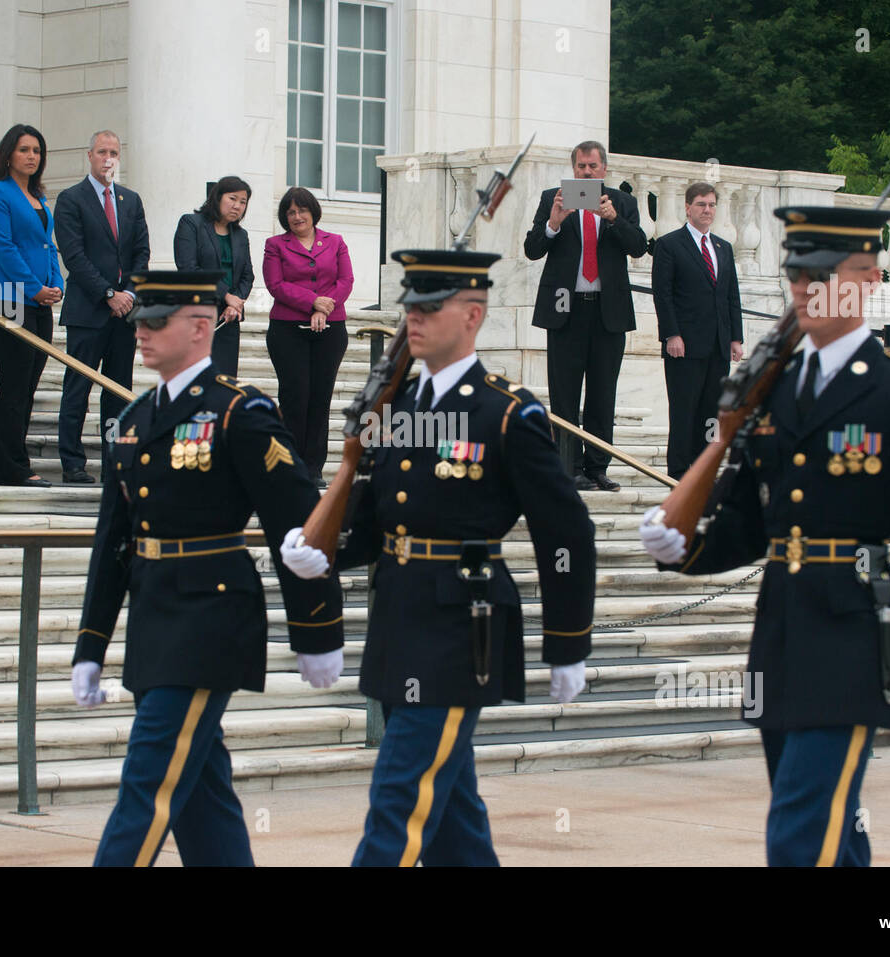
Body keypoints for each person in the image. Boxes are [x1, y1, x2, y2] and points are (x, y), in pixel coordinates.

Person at [638, 206, 890, 866]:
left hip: (854, 636)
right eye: (797, 275)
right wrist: (685, 548)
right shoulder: (774, 392)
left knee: (800, 833)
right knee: (831, 831)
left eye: (823, 276)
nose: (805, 290)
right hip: (780, 634)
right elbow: (751, 522)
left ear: (866, 282)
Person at [280, 249, 596, 866]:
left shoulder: (507, 412)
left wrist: (568, 642)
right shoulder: (397, 409)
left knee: (398, 802)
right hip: (399, 618)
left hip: (463, 628)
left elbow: (566, 532)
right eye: (410, 308)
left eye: (430, 308)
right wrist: (326, 552)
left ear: (473, 315)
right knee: (453, 824)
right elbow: (376, 519)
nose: (413, 320)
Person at [69, 269, 345, 866]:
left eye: (154, 322)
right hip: (153, 622)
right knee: (201, 796)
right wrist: (91, 644)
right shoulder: (134, 419)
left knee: (148, 785)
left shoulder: (239, 411)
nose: (139, 333)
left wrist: (317, 631)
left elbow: (297, 526)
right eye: (138, 320)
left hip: (211, 621)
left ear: (200, 328)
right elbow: (114, 542)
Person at [523, 140, 647, 491]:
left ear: (604, 169)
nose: (587, 172)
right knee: (564, 394)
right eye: (581, 167)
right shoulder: (554, 199)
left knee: (602, 393)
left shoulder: (622, 202)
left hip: (608, 312)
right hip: (565, 309)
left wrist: (614, 219)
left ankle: (597, 467)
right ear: (573, 168)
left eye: (593, 167)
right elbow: (533, 250)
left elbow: (638, 247)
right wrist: (553, 224)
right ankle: (569, 467)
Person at [54, 130, 152, 484]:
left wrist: (126, 294)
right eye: (101, 152)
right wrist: (108, 294)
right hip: (88, 311)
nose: (108, 158)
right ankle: (72, 462)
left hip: (124, 315)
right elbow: (74, 256)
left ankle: (115, 460)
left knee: (117, 393)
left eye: (114, 152)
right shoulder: (71, 199)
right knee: (77, 389)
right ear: (89, 155)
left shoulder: (130, 200)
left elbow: (142, 251)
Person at [0, 124, 63, 488]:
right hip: (9, 299)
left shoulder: (40, 198)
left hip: (40, 301)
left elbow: (48, 246)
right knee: (14, 385)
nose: (32, 156)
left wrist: (57, 283)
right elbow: (5, 248)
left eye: (37, 151)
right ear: (8, 154)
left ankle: (14, 463)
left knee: (28, 386)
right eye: (25, 150)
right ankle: (11, 466)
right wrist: (34, 289)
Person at [651, 182, 745, 479]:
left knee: (712, 414)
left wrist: (736, 338)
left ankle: (704, 469)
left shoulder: (723, 247)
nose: (707, 210)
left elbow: (731, 295)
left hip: (718, 345)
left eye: (712, 204)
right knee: (684, 411)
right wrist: (671, 334)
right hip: (685, 345)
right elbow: (662, 294)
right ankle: (679, 472)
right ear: (688, 207)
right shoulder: (669, 245)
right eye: (701, 204)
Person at [262, 186, 353, 488]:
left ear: (313, 211)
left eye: (302, 210)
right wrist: (312, 302)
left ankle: (313, 468)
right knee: (294, 397)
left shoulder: (336, 242)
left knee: (320, 398)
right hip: (288, 331)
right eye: (290, 212)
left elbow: (345, 280)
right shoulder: (275, 245)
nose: (297, 216)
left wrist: (324, 309)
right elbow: (276, 284)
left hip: (331, 330)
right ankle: (290, 464)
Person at [173, 176, 254, 377]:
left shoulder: (240, 235)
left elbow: (247, 275)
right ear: (217, 198)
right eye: (232, 199)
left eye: (243, 202)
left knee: (223, 384)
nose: (237, 206)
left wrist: (234, 305)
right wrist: (226, 295)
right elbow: (188, 269)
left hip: (228, 319)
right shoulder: (191, 224)